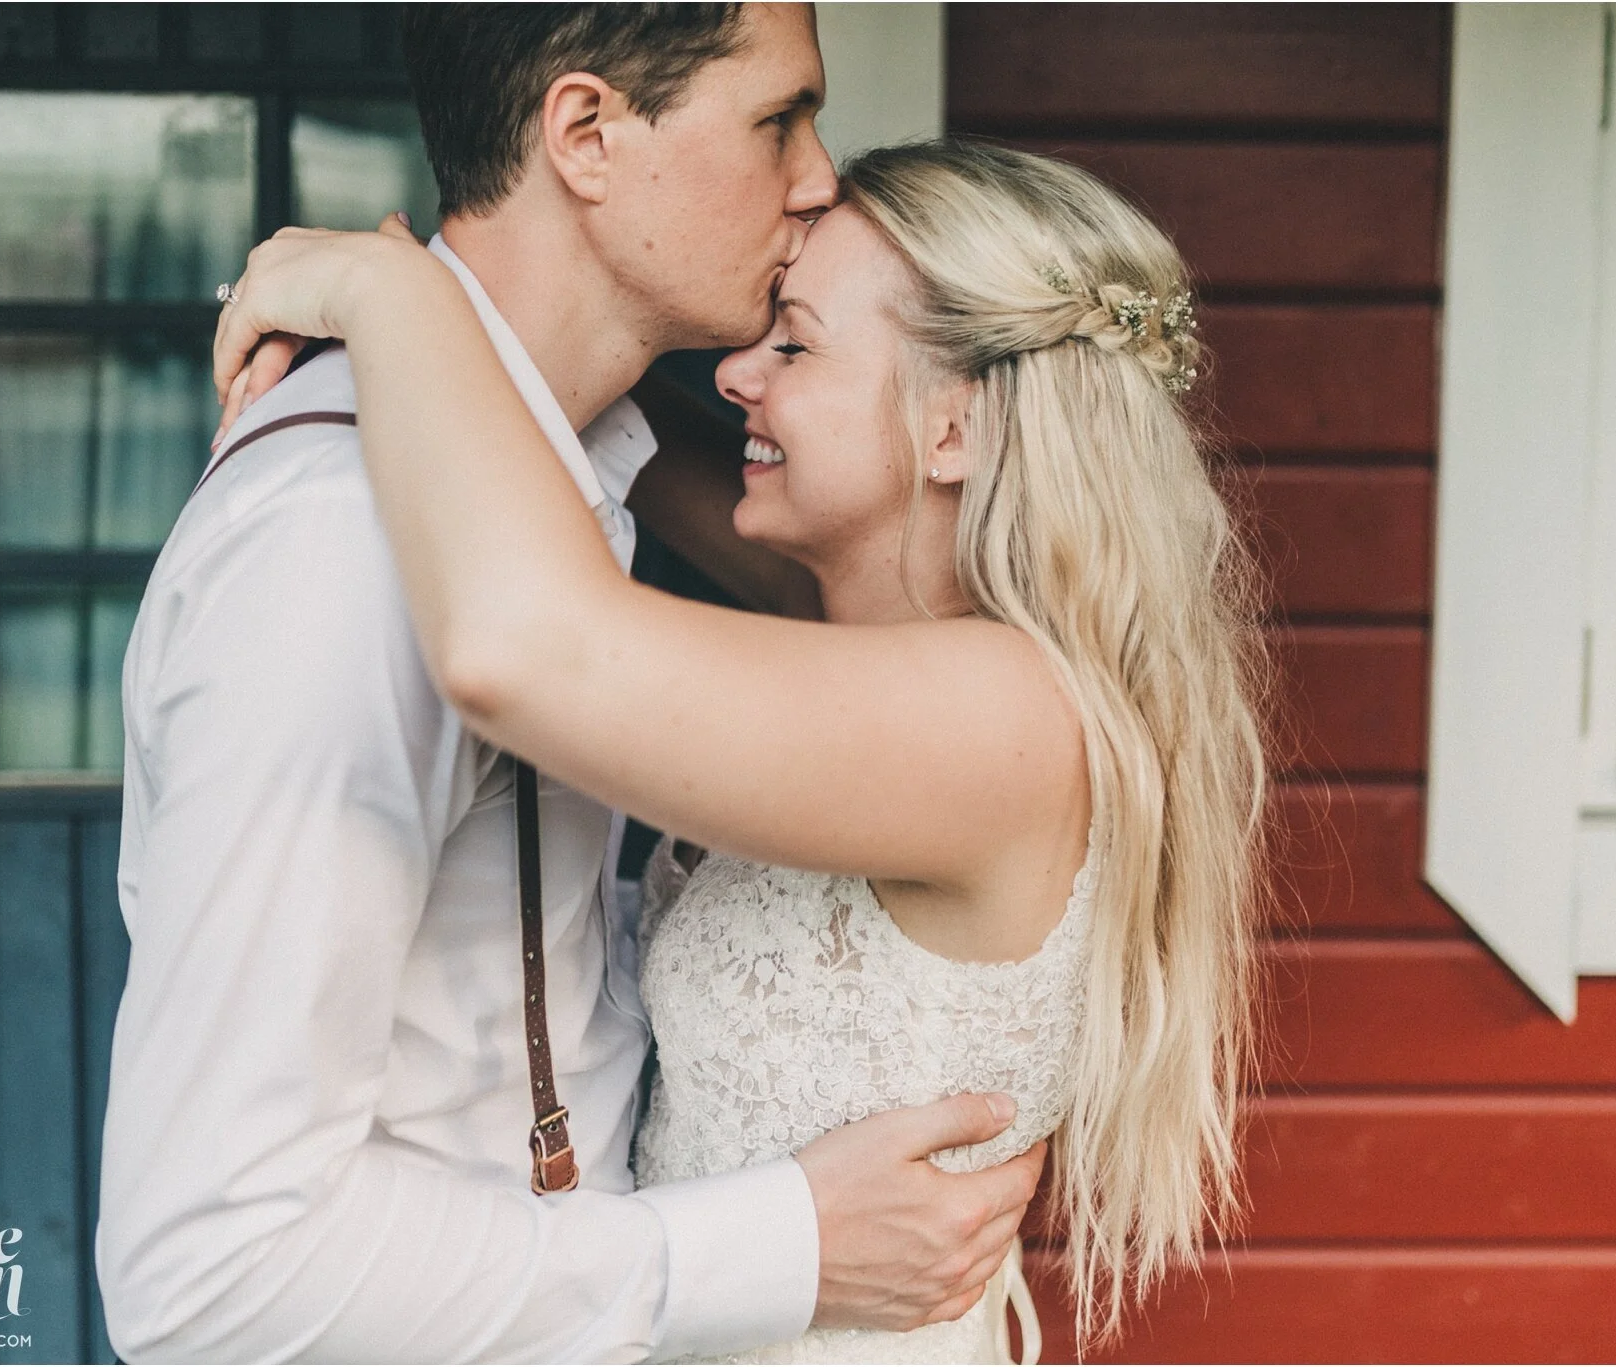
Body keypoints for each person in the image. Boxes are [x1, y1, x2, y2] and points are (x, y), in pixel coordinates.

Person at [210, 137, 1277, 1362]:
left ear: (951, 430)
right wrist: (480, 304)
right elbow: (601, 426)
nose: (735, 374)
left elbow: (517, 644)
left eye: (796, 344)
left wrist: (388, 296)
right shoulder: (862, 645)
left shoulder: (998, 722)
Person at [95, 8, 1047, 1363]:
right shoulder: (340, 543)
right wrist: (780, 1243)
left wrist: (398, 296)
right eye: (779, 116)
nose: (820, 173)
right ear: (587, 135)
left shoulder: (565, 482)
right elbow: (214, 1268)